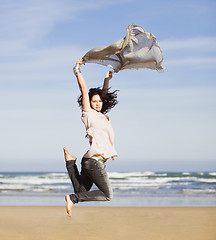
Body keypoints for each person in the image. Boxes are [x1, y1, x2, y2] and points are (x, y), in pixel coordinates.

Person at [63, 58, 118, 216]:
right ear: (89, 103)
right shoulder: (88, 115)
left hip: (90, 161)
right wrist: (77, 70)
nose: (98, 103)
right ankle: (72, 198)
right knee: (107, 195)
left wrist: (106, 80)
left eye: (99, 101)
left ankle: (70, 163)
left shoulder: (102, 116)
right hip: (94, 162)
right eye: (94, 101)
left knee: (81, 191)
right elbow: (83, 88)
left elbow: (105, 96)